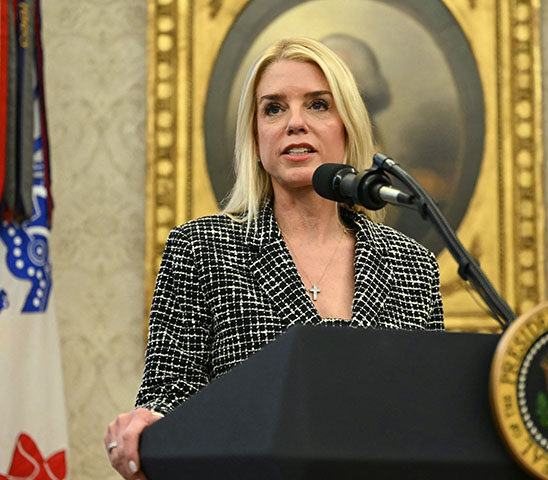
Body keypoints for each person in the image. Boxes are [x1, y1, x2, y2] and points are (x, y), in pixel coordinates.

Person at [105, 37, 444, 479]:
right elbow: (169, 396)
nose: (295, 123)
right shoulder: (202, 248)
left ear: (349, 125)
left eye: (318, 105)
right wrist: (146, 426)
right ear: (257, 136)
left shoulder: (411, 264)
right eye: (274, 108)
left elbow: (431, 418)